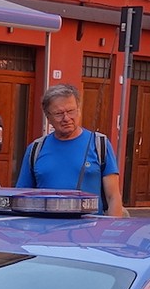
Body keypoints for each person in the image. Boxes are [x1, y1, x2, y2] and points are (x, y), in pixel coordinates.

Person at [14, 84, 126, 216]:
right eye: (59, 113)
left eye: (71, 111)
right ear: (48, 117)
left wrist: (110, 232)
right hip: (44, 232)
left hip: (90, 232)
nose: (66, 118)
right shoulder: (35, 149)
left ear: (79, 110)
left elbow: (113, 197)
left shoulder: (100, 144)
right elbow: (21, 199)